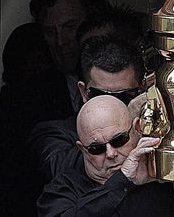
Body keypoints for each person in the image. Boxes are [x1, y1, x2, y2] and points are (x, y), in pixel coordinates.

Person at [37, 96, 174, 216]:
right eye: (96, 148)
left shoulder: (165, 178)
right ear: (83, 149)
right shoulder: (64, 189)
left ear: (137, 129)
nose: (111, 153)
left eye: (119, 140)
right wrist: (122, 180)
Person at [30, 35, 147, 184]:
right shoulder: (54, 133)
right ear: (84, 92)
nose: (112, 104)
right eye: (100, 95)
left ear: (142, 90)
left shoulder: (152, 129)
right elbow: (58, 168)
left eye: (125, 95)